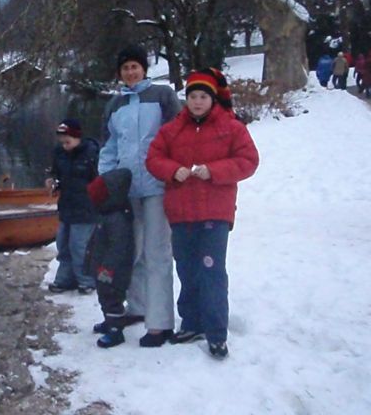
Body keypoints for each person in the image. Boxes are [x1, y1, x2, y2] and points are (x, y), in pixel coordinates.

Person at [146, 68, 259, 359]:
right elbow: (154, 158)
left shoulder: (231, 127)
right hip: (181, 213)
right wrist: (173, 170)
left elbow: (248, 160)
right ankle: (192, 322)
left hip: (215, 212)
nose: (197, 102)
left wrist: (214, 171)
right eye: (192, 96)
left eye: (202, 97)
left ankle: (216, 332)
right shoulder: (173, 129)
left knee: (211, 271)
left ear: (212, 99)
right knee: (186, 269)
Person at [99, 44, 181, 347]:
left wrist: (174, 172)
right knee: (129, 252)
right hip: (127, 189)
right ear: (119, 73)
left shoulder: (162, 96)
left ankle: (160, 323)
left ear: (144, 68)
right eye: (125, 68)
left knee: (157, 252)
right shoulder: (115, 104)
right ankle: (137, 307)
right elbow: (109, 147)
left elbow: (177, 137)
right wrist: (106, 182)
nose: (130, 72)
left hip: (158, 186)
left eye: (135, 66)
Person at [84, 168, 135, 348]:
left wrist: (108, 268)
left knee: (113, 297)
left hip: (113, 271)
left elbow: (118, 248)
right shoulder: (106, 214)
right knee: (104, 295)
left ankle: (116, 330)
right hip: (102, 268)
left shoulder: (117, 219)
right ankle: (109, 321)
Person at [46, 119, 98, 294]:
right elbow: (55, 173)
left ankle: (86, 280)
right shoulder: (59, 153)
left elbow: (100, 179)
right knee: (63, 244)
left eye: (68, 142)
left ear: (77, 138)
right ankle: (65, 278)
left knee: (80, 246)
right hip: (67, 206)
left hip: (86, 208)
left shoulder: (91, 153)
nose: (65, 146)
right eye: (62, 142)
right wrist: (53, 182)